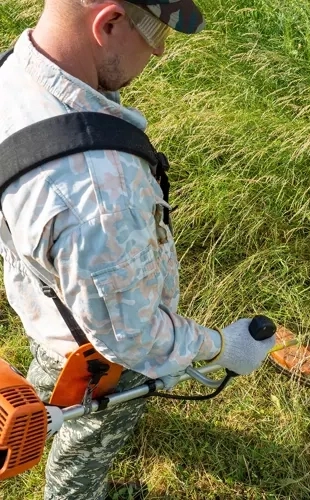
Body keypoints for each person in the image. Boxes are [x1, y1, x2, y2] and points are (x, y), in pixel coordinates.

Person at [0, 1, 275, 499]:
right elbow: (132, 338)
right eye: (155, 37)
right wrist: (222, 349)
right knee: (91, 437)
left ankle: (37, 415)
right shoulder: (98, 194)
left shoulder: (11, 74)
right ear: (107, 23)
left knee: (51, 384)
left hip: (48, 312)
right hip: (101, 351)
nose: (160, 52)